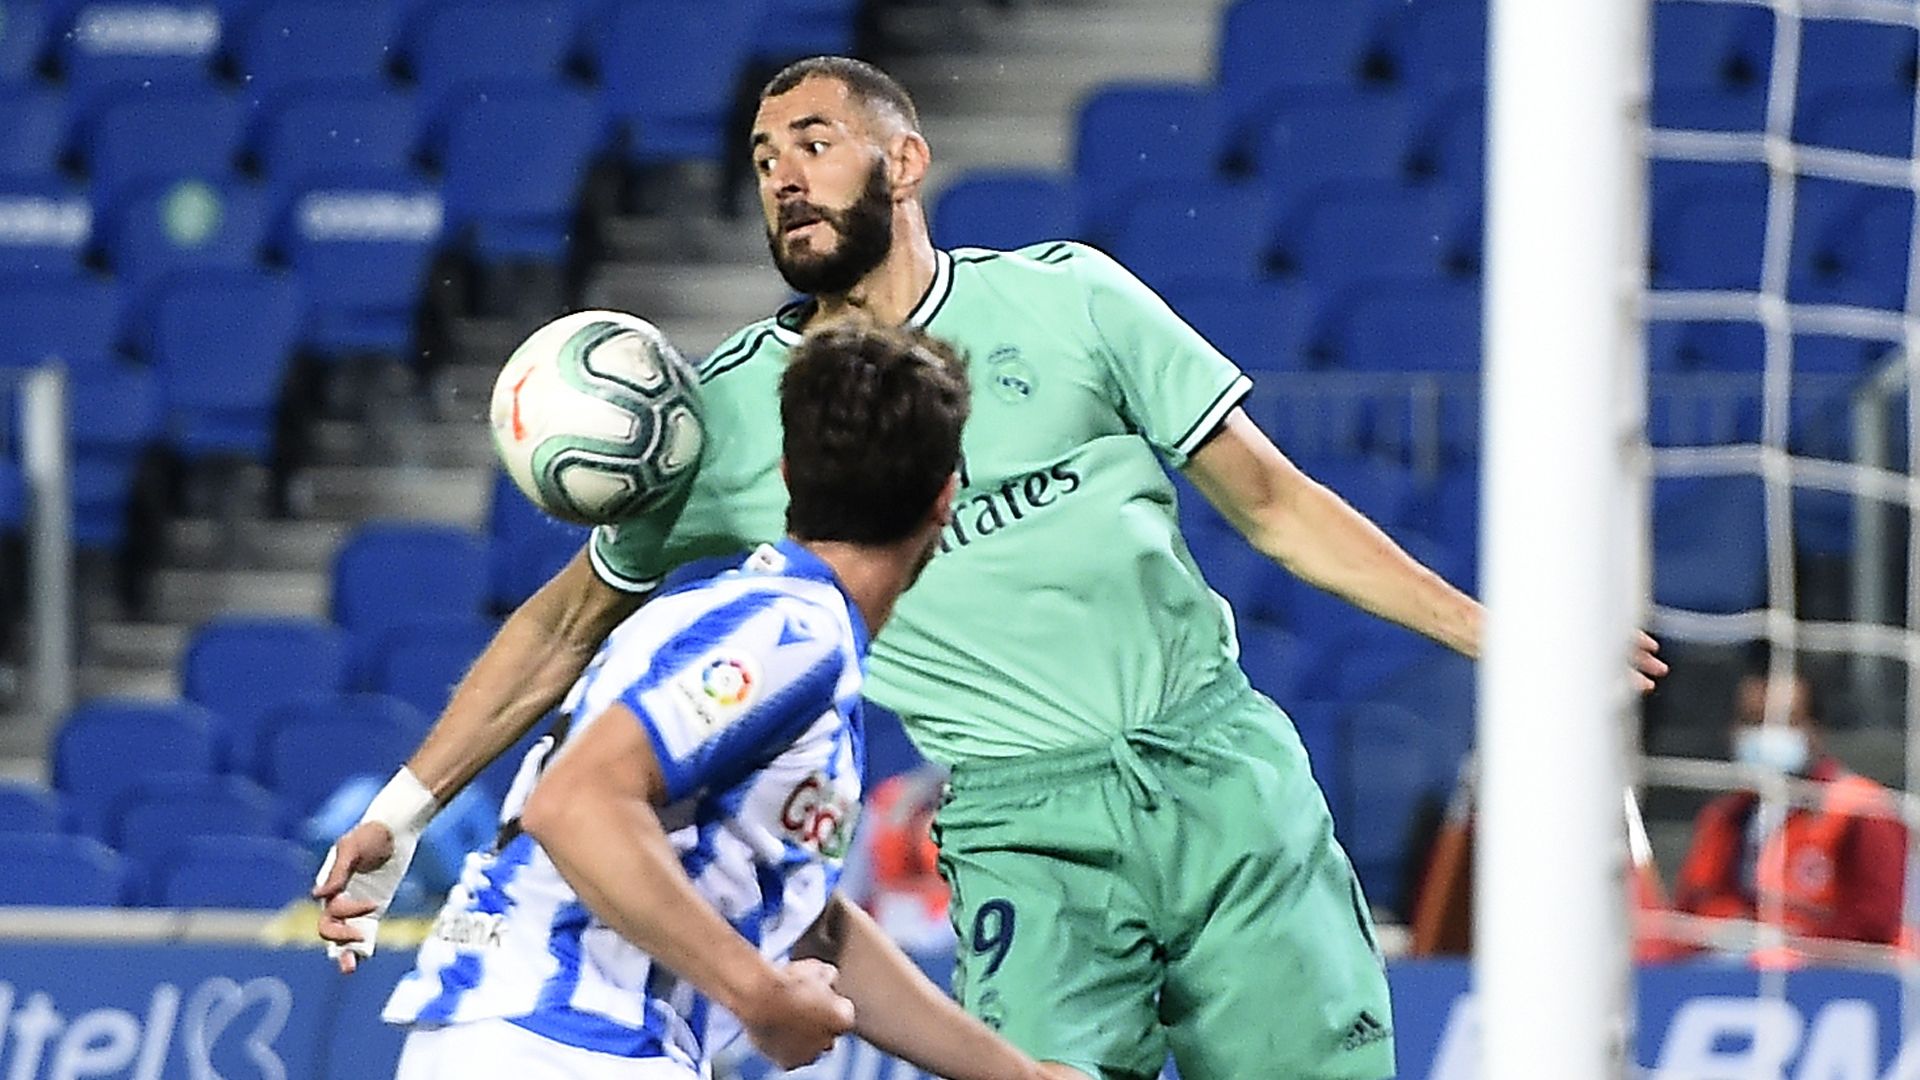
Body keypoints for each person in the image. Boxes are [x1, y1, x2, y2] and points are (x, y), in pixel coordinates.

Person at [318, 55, 1668, 1079]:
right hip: (1024, 826)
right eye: (761, 154)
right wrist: (405, 803)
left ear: (904, 161)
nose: (782, 172)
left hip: (1222, 774)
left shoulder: (1074, 298)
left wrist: (1515, 642)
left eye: (815, 140)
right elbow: (561, 632)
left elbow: (1280, 506)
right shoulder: (724, 415)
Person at [366, 322, 1048, 1078]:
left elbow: (804, 923)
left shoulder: (730, 616)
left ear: (787, 474)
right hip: (567, 1040)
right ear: (946, 499)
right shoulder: (794, 634)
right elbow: (573, 804)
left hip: (508, 1036)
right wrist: (762, 999)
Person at [1671, 668, 1906, 954]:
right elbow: (1689, 909)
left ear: (1814, 731)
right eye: (1752, 721)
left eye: (1782, 722)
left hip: (1837, 980)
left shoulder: (1862, 809)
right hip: (1734, 972)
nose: (1765, 734)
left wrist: (1794, 948)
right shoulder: (1724, 817)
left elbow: (1875, 922)